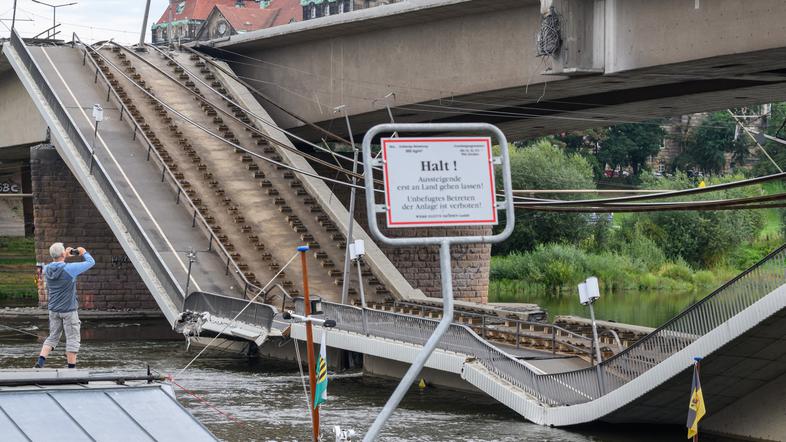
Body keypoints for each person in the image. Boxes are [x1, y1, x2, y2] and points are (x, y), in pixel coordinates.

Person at [34, 243, 95, 369]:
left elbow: (57, 265)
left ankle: (40, 362)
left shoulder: (47, 269)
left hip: (53, 310)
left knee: (53, 337)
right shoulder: (70, 269)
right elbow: (91, 262)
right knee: (72, 339)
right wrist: (83, 252)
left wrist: (64, 256)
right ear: (63, 253)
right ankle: (71, 370)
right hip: (69, 310)